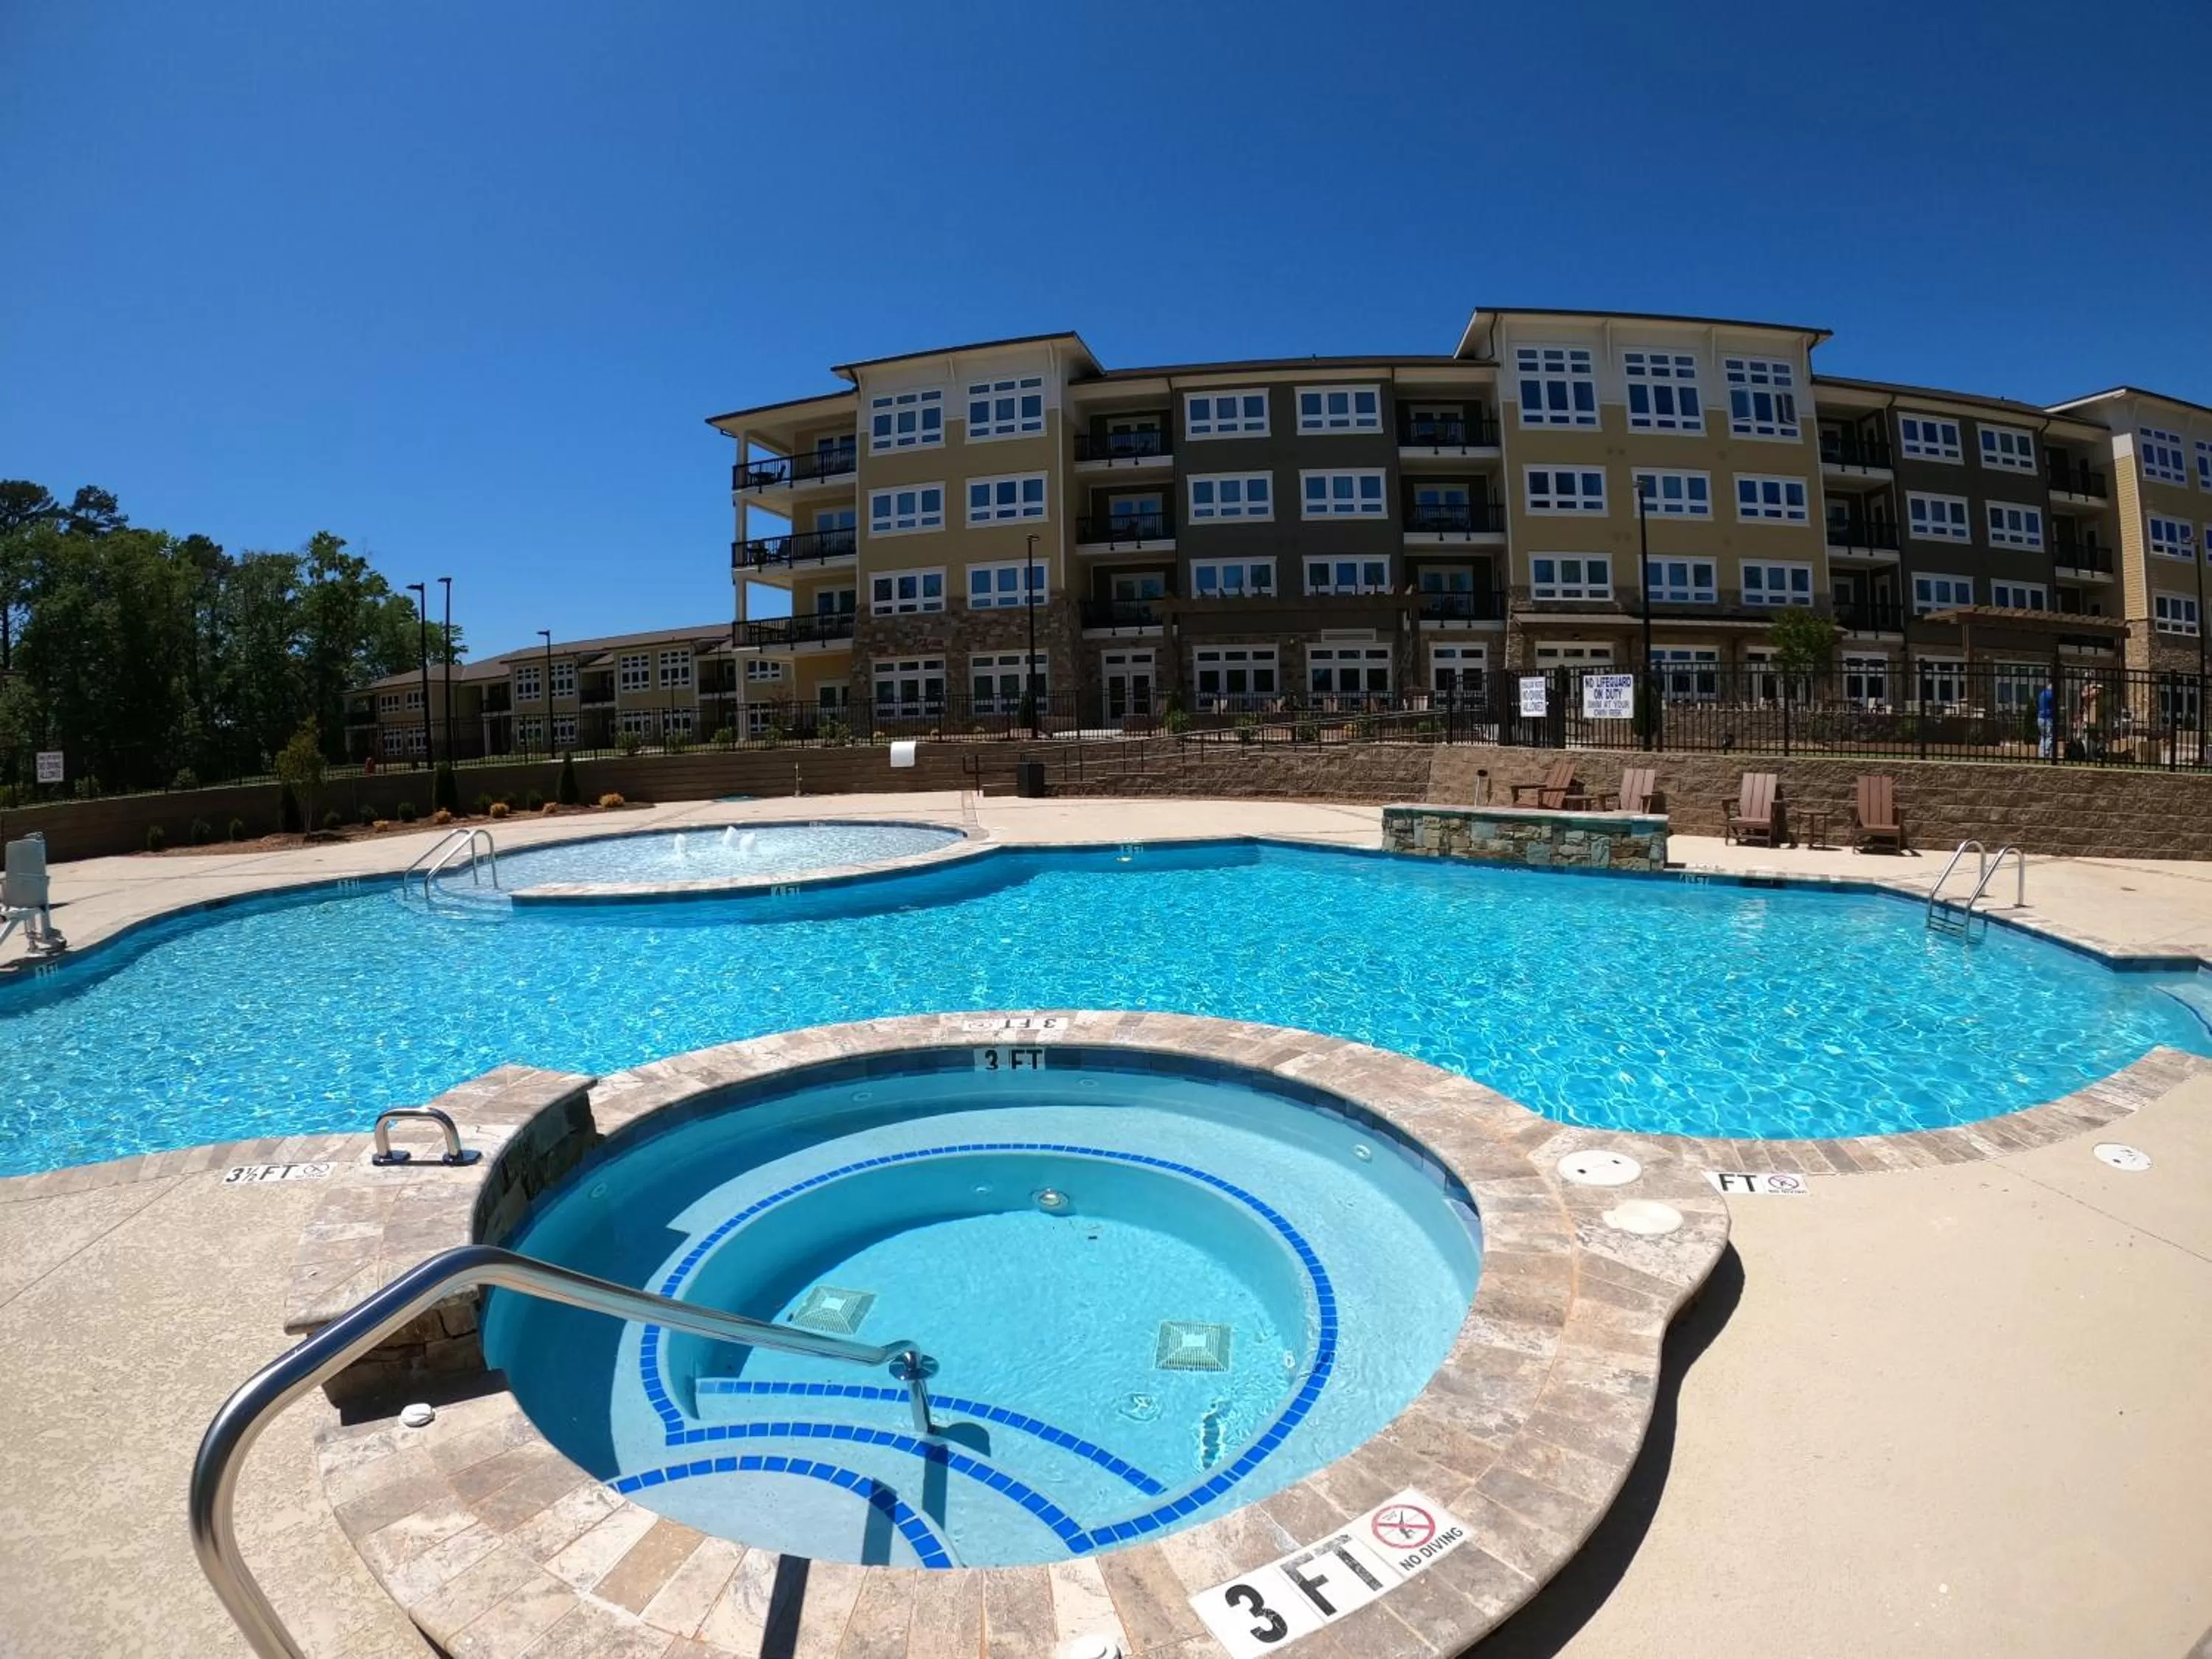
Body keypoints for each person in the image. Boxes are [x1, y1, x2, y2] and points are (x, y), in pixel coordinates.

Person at [2079, 678, 2102, 760]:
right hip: (2088, 719)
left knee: (2094, 737)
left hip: (2094, 718)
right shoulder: (2087, 696)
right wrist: (2093, 689)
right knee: (2089, 737)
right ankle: (2089, 755)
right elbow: (2086, 695)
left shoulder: (2092, 697)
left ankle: (2093, 754)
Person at [2037, 678, 2055, 759]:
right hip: (2048, 718)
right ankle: (2046, 753)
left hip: (2040, 717)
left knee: (2043, 736)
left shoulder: (2042, 693)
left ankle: (2041, 754)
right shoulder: (2051, 694)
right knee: (2049, 736)